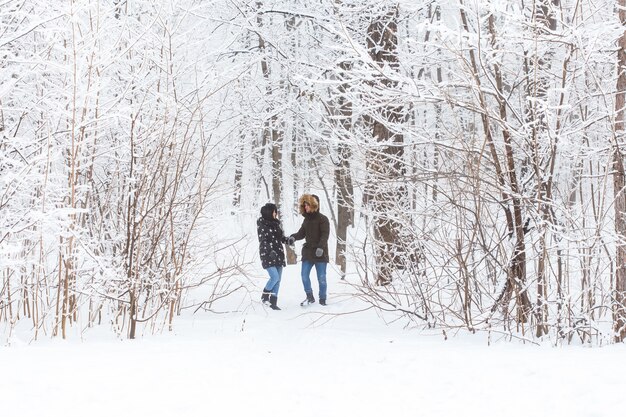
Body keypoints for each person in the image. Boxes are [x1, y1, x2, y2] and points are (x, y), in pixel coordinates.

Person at [290, 194, 330, 306]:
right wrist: (293, 237)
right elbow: (301, 233)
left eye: (307, 205)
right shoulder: (306, 220)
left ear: (313, 205)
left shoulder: (323, 219)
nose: (305, 207)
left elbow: (325, 235)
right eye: (304, 205)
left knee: (321, 278)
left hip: (320, 253)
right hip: (308, 253)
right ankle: (309, 296)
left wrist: (321, 248)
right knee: (304, 275)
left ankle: (322, 299)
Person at [257, 203, 293, 310]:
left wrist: (288, 240)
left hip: (279, 253)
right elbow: (262, 240)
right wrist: (270, 250)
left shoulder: (276, 224)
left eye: (276, 212)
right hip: (267, 254)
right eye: (274, 211)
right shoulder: (261, 224)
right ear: (269, 212)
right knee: (274, 277)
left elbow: (281, 237)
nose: (275, 214)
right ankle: (265, 295)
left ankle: (273, 301)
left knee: (278, 280)